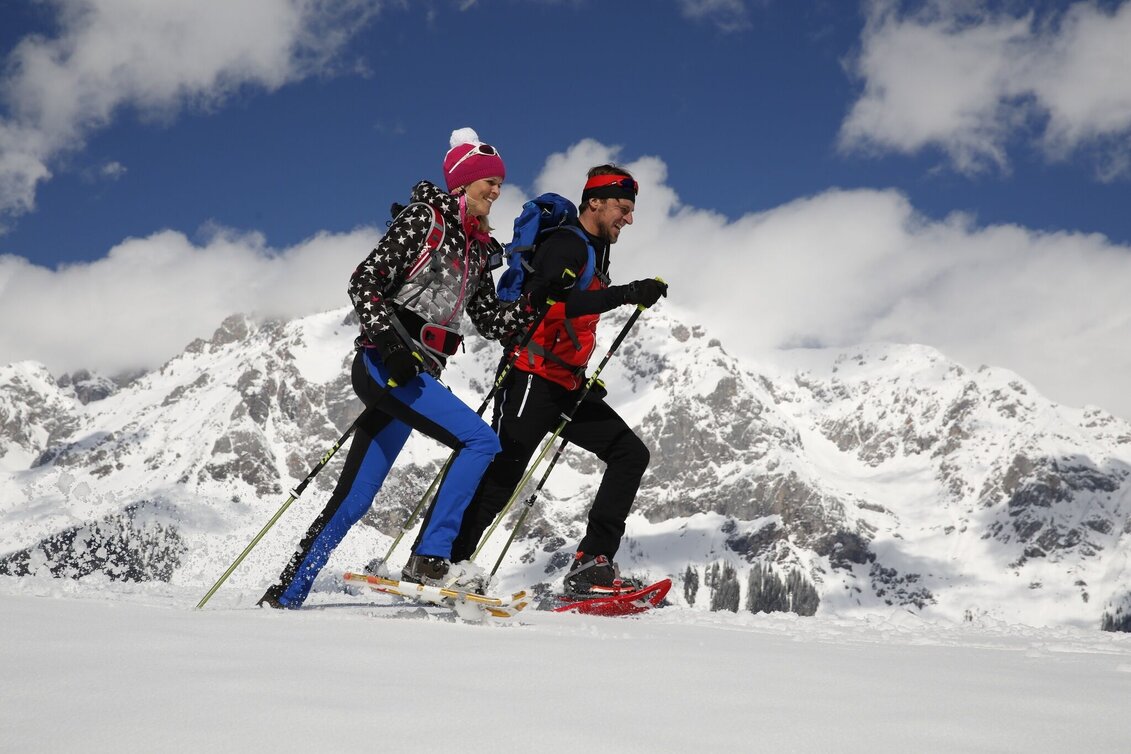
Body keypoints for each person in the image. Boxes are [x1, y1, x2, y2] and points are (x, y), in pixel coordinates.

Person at [259, 128, 543, 608]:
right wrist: (391, 344)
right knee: (480, 440)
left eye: (499, 183)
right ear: (462, 182)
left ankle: (286, 592)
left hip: (416, 374)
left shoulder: (479, 248)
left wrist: (538, 298)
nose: (496, 191)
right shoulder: (424, 220)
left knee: (356, 498)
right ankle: (430, 556)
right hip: (384, 363)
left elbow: (490, 321)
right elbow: (364, 279)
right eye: (488, 182)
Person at [441, 164, 668, 597]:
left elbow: (574, 318)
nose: (629, 218)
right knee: (505, 473)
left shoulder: (597, 250)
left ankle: (591, 565)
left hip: (564, 382)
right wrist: (625, 293)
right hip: (531, 377)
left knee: (629, 453)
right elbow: (547, 304)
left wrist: (579, 371)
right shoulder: (565, 244)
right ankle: (449, 563)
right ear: (595, 202)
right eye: (622, 208)